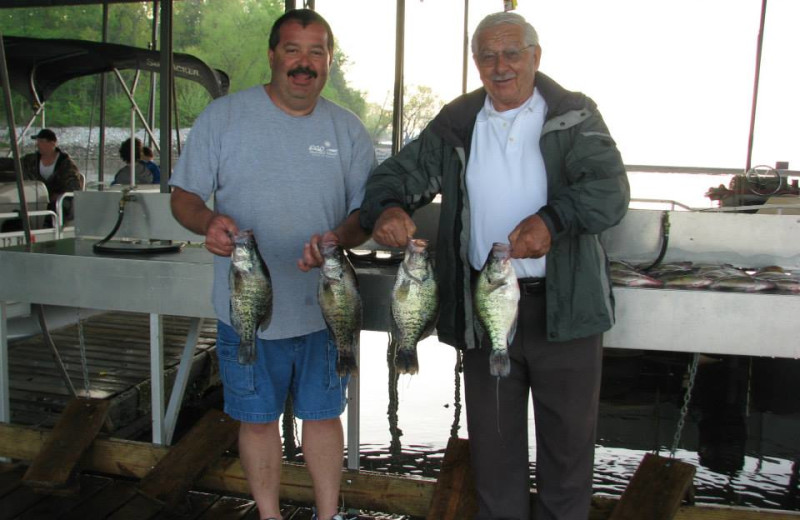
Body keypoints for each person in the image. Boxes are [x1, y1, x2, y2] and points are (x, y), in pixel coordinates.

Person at [358, 12, 629, 520]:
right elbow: (393, 175)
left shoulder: (575, 116)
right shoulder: (456, 123)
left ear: (535, 56)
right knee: (494, 455)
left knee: (568, 459)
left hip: (565, 312)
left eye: (512, 53)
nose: (500, 66)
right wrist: (389, 208)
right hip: (485, 314)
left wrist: (553, 220)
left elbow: (610, 192)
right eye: (487, 55)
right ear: (475, 62)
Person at [169, 9, 374, 520]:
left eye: (316, 52)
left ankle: (329, 515)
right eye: (292, 50)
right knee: (256, 419)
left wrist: (339, 236)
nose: (304, 64)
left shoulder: (347, 130)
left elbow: (364, 216)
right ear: (272, 55)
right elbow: (184, 196)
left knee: (324, 416)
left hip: (326, 309)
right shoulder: (224, 117)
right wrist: (208, 221)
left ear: (329, 60)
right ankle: (269, 515)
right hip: (245, 310)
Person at [21, 128, 83, 222]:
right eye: (37, 141)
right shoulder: (30, 160)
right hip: (36, 200)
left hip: (58, 201)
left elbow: (75, 187)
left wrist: (58, 195)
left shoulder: (66, 164)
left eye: (41, 141)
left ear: (53, 143)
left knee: (58, 207)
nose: (37, 144)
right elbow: (13, 164)